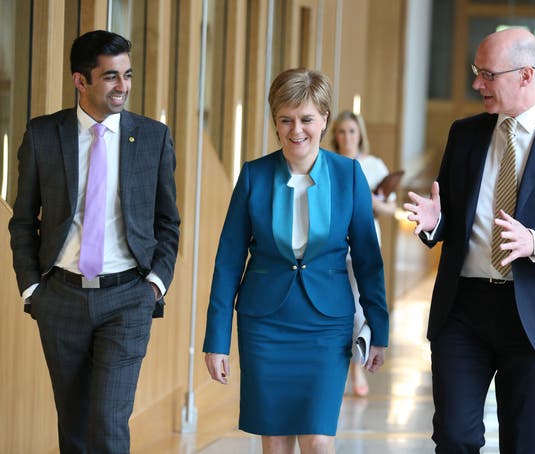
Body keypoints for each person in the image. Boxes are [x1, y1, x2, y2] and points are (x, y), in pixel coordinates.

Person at [403, 27, 535, 453]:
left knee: (525, 445)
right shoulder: (464, 133)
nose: (477, 84)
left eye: (488, 74)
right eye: (476, 72)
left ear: (526, 75)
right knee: (454, 438)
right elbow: (450, 216)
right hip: (462, 310)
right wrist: (434, 224)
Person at [8, 30, 180, 453]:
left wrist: (155, 284)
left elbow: (168, 222)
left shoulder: (153, 138)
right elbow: (24, 220)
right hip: (60, 298)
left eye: (128, 75)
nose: (123, 86)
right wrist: (33, 289)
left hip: (127, 298)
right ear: (79, 81)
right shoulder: (44, 135)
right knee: (74, 425)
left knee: (107, 421)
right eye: (110, 77)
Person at [203, 68, 389, 454]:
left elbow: (369, 260)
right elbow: (228, 263)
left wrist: (379, 328)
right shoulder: (254, 175)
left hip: (326, 325)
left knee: (319, 440)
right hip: (265, 324)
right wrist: (216, 340)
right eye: (286, 120)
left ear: (324, 119)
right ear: (275, 121)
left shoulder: (348, 175)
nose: (296, 130)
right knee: (274, 440)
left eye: (306, 119)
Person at [330, 111, 396, 397]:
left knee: (359, 309)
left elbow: (390, 209)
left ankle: (357, 367)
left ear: (360, 134)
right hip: (333, 246)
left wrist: (369, 201)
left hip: (365, 245)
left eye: (352, 131)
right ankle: (338, 367)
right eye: (342, 131)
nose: (347, 137)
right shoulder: (328, 163)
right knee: (337, 308)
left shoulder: (373, 165)